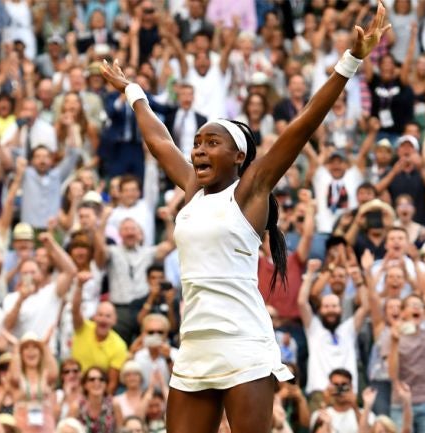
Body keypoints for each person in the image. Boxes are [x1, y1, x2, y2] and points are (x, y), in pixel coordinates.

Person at [98, 4, 390, 432]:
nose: (197, 150)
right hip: (194, 343)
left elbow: (302, 125)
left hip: (243, 343)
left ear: (239, 156)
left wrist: (351, 61)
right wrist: (133, 91)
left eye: (210, 142)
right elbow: (159, 141)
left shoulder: (251, 191)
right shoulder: (194, 190)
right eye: (196, 143)